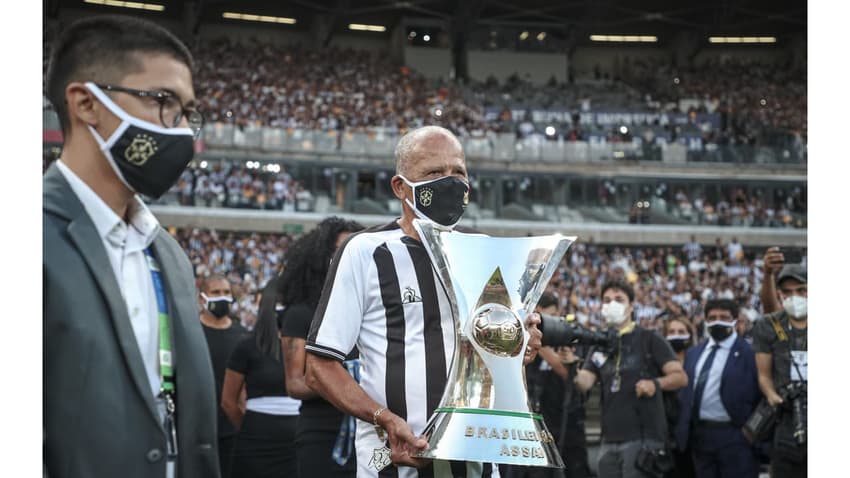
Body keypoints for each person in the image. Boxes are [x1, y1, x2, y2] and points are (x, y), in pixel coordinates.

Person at [304, 125, 543, 478]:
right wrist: (383, 419)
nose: (450, 182)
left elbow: (498, 362)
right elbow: (318, 367)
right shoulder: (367, 252)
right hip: (387, 460)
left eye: (457, 172)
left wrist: (522, 347)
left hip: (475, 461)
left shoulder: (484, 253)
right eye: (434, 173)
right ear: (401, 187)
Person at [43, 15, 218, 478]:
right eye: (163, 102)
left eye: (186, 111)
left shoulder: (169, 255)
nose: (180, 128)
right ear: (85, 103)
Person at [574, 280, 688, 478]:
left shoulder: (649, 339)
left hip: (644, 438)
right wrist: (570, 365)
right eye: (607, 300)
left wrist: (655, 383)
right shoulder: (599, 344)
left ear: (631, 306)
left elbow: (680, 377)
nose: (612, 304)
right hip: (608, 439)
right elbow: (584, 382)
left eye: (619, 299)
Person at [279, 217, 365, 477]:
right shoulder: (302, 314)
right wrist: (346, 379)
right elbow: (294, 384)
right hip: (323, 434)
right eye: (340, 250)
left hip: (372, 431)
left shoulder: (374, 312)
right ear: (321, 258)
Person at [222, 277, 301, 478]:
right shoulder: (246, 346)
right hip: (255, 444)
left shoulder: (309, 346)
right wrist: (251, 427)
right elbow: (229, 402)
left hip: (298, 445)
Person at [675, 300, 760, 478]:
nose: (717, 321)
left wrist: (751, 434)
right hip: (700, 436)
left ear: (735, 320)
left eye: (724, 317)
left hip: (736, 436)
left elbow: (759, 396)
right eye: (712, 317)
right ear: (705, 320)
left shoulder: (750, 354)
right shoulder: (694, 353)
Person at [752, 265, 807, 478]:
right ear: (780, 294)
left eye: (801, 290)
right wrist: (772, 395)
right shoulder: (769, 325)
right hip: (787, 419)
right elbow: (764, 375)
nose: (795, 296)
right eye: (788, 292)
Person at [199, 274, 248, 477]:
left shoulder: (242, 335)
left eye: (226, 293)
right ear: (202, 298)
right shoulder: (191, 332)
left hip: (232, 429)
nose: (222, 297)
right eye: (216, 293)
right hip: (199, 427)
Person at [661, 317, 697, 478]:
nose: (676, 335)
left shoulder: (698, 361)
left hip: (694, 435)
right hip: (665, 434)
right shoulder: (657, 363)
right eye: (672, 332)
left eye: (681, 332)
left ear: (689, 335)